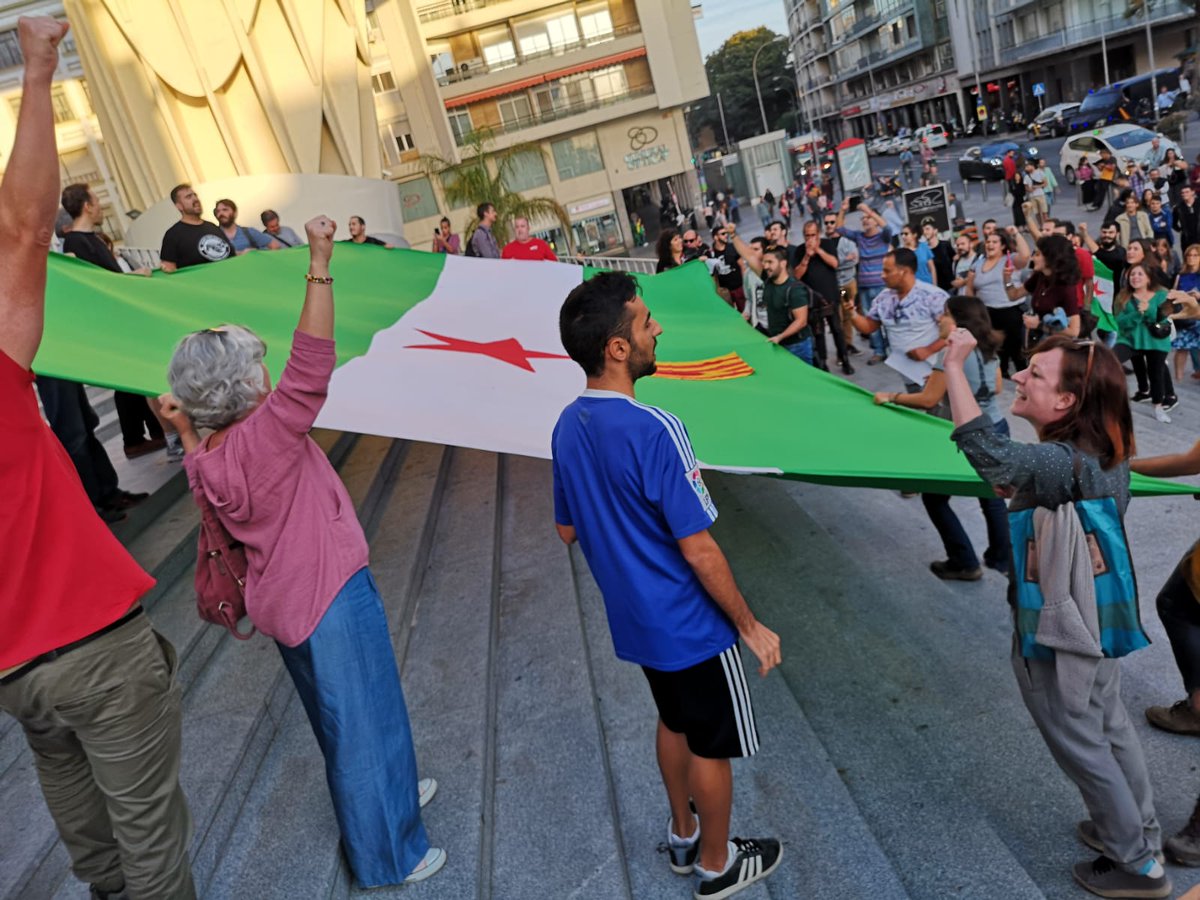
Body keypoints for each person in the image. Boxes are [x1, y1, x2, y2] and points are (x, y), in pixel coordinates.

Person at [159, 215, 445, 889]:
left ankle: (395, 793)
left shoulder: (214, 454)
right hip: (328, 595)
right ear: (245, 386)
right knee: (364, 725)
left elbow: (199, 470)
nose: (268, 372)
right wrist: (318, 259)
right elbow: (313, 360)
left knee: (346, 718)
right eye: (257, 366)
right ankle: (389, 856)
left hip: (286, 603)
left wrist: (178, 426)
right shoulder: (268, 436)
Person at [0, 17, 197, 900]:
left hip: (17, 678)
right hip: (91, 651)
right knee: (152, 867)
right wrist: (38, 70)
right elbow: (24, 225)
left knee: (104, 868)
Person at [551, 271, 783, 900]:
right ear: (618, 348)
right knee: (711, 743)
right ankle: (715, 865)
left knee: (673, 718)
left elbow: (568, 531)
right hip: (690, 622)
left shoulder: (566, 425)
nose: (658, 329)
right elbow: (699, 546)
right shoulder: (656, 428)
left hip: (635, 622)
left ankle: (683, 834)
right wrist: (747, 623)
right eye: (646, 321)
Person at [943, 330, 1168, 900]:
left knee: (1077, 738)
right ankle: (1133, 828)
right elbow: (1002, 472)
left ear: (1068, 401)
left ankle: (1138, 865)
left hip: (1059, 622)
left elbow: (989, 457)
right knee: (1108, 724)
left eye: (1034, 374)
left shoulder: (1056, 460)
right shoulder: (1107, 448)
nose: (1020, 376)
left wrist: (953, 365)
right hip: (1099, 614)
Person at [872, 294, 1010, 579]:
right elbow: (995, 387)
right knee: (992, 496)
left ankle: (963, 561)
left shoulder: (950, 351)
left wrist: (891, 397)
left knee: (934, 499)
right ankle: (1003, 557)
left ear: (959, 321)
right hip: (996, 425)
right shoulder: (988, 346)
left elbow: (927, 400)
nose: (939, 319)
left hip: (965, 431)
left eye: (944, 314)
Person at [59, 182, 164, 461]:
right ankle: (135, 438)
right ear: (87, 206)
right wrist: (135, 276)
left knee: (131, 382)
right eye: (96, 199)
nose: (100, 205)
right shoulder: (75, 243)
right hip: (109, 322)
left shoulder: (91, 239)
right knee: (128, 383)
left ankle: (151, 433)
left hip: (120, 319)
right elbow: (98, 283)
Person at [843, 248, 949, 389]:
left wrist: (928, 350)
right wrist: (853, 314)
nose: (882, 275)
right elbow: (869, 327)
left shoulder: (933, 296)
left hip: (937, 374)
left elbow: (954, 331)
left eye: (887, 271)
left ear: (904, 272)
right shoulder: (883, 298)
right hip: (908, 375)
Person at [731, 227, 813, 363]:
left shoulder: (794, 289)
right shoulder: (767, 280)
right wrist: (733, 235)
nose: (766, 266)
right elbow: (749, 256)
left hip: (797, 346)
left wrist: (780, 337)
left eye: (770, 262)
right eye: (764, 262)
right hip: (778, 343)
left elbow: (801, 321)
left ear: (783, 263)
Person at [1115, 263, 1175, 423]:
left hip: (1155, 341)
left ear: (1148, 278)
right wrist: (1137, 314)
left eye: (1140, 274)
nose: (1135, 277)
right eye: (1132, 274)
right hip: (1131, 340)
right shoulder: (1123, 295)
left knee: (1156, 374)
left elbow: (1163, 318)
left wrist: (1148, 310)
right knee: (1111, 360)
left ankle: (1158, 407)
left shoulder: (1161, 294)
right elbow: (1120, 321)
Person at [836, 199, 894, 364]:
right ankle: (878, 351)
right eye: (863, 219)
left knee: (888, 319)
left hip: (883, 285)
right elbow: (840, 229)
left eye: (867, 218)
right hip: (864, 286)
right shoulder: (859, 237)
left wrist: (869, 211)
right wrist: (843, 210)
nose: (865, 220)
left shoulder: (883, 237)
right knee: (870, 319)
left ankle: (894, 349)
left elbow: (888, 227)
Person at [793, 220, 852, 374]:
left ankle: (844, 358)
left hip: (831, 295)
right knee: (818, 333)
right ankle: (823, 363)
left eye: (813, 235)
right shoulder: (799, 251)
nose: (810, 239)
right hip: (812, 300)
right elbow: (797, 275)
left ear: (818, 234)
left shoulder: (827, 244)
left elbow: (834, 263)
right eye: (807, 236)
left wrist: (818, 250)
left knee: (837, 329)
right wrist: (806, 256)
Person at [966, 230, 1026, 378]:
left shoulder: (1009, 259)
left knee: (1015, 349)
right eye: (988, 242)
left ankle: (1024, 376)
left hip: (1010, 311)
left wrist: (1016, 234)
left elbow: (1025, 255)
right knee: (996, 350)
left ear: (1003, 245)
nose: (990, 245)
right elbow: (970, 290)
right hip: (987, 312)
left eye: (994, 242)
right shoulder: (978, 264)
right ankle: (1001, 376)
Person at [1022, 234, 1082, 345]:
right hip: (1039, 342)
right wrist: (1007, 278)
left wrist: (1039, 325)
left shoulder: (1066, 289)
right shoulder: (1040, 276)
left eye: (1037, 254)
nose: (1032, 258)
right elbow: (1013, 295)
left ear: (1050, 258)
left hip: (1056, 347)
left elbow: (1074, 332)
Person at [160, 183, 234, 272]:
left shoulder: (212, 227)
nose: (195, 199)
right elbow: (168, 270)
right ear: (179, 206)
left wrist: (247, 254)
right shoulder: (173, 235)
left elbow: (230, 255)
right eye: (188, 197)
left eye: (195, 195)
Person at [823, 212, 860, 355]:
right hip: (834, 286)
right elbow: (829, 265)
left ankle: (848, 344)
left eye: (832, 222)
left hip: (847, 284)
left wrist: (836, 261)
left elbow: (854, 260)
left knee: (848, 314)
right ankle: (841, 349)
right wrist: (843, 260)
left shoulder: (847, 241)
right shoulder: (824, 243)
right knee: (836, 318)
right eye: (826, 223)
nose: (829, 225)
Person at [1169, 244, 1200, 382]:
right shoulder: (1180, 276)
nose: (1191, 258)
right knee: (1181, 348)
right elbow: (1172, 293)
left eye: (1195, 255)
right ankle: (1178, 379)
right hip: (1184, 316)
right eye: (1189, 255)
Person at [214, 198, 281, 253]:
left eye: (225, 210)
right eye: (218, 211)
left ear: (235, 213)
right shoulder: (213, 236)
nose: (221, 213)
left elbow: (275, 246)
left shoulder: (248, 232)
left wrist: (257, 254)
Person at [922, 222, 954, 290]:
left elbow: (954, 259)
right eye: (923, 230)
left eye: (927, 229)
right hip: (935, 287)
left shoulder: (945, 245)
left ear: (935, 230)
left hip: (951, 286)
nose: (925, 232)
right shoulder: (924, 249)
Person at [1174, 185, 1199, 250]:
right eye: (1182, 193)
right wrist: (1181, 230)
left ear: (1192, 192)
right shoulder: (1178, 208)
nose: (1184, 194)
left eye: (1187, 192)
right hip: (1187, 239)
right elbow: (1173, 223)